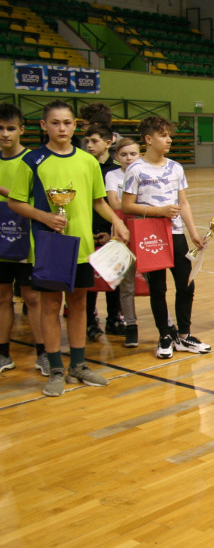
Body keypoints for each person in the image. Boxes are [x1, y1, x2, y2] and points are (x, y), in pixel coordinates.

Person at [6, 99, 130, 396]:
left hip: (83, 248)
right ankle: (55, 368)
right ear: (43, 125)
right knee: (50, 307)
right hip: (48, 247)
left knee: (78, 305)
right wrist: (45, 216)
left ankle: (78, 364)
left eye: (67, 122)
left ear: (75, 125)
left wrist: (118, 222)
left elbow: (98, 202)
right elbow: (15, 201)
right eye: (55, 123)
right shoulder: (32, 161)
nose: (62, 128)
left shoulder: (88, 161)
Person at [122, 116, 210, 359]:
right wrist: (157, 211)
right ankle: (164, 335)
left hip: (176, 234)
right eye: (163, 135)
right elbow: (127, 205)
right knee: (158, 288)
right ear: (149, 139)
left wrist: (193, 233)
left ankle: (184, 334)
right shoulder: (136, 169)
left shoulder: (176, 168)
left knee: (186, 283)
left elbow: (183, 202)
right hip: (151, 236)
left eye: (170, 135)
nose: (169, 139)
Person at [0, 102, 44, 375]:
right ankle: (3, 352)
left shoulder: (33, 160)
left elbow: (34, 201)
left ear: (22, 130)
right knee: (3, 297)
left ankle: (43, 352)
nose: (5, 134)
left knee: (33, 298)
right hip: (0, 242)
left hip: (27, 241)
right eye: (1, 129)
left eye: (10, 128)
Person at [82, 123, 124, 341]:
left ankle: (114, 319)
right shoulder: (82, 165)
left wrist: (114, 232)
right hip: (86, 228)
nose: (89, 145)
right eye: (87, 141)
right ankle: (89, 321)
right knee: (89, 279)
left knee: (112, 275)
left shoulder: (117, 169)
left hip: (111, 229)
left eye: (94, 141)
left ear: (109, 143)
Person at [106, 137, 141, 348]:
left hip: (144, 232)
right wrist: (138, 205)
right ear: (117, 157)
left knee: (154, 280)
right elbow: (115, 203)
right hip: (121, 232)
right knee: (126, 283)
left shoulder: (144, 172)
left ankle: (165, 324)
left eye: (133, 154)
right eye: (124, 154)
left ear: (140, 155)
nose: (128, 158)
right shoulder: (112, 175)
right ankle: (131, 326)